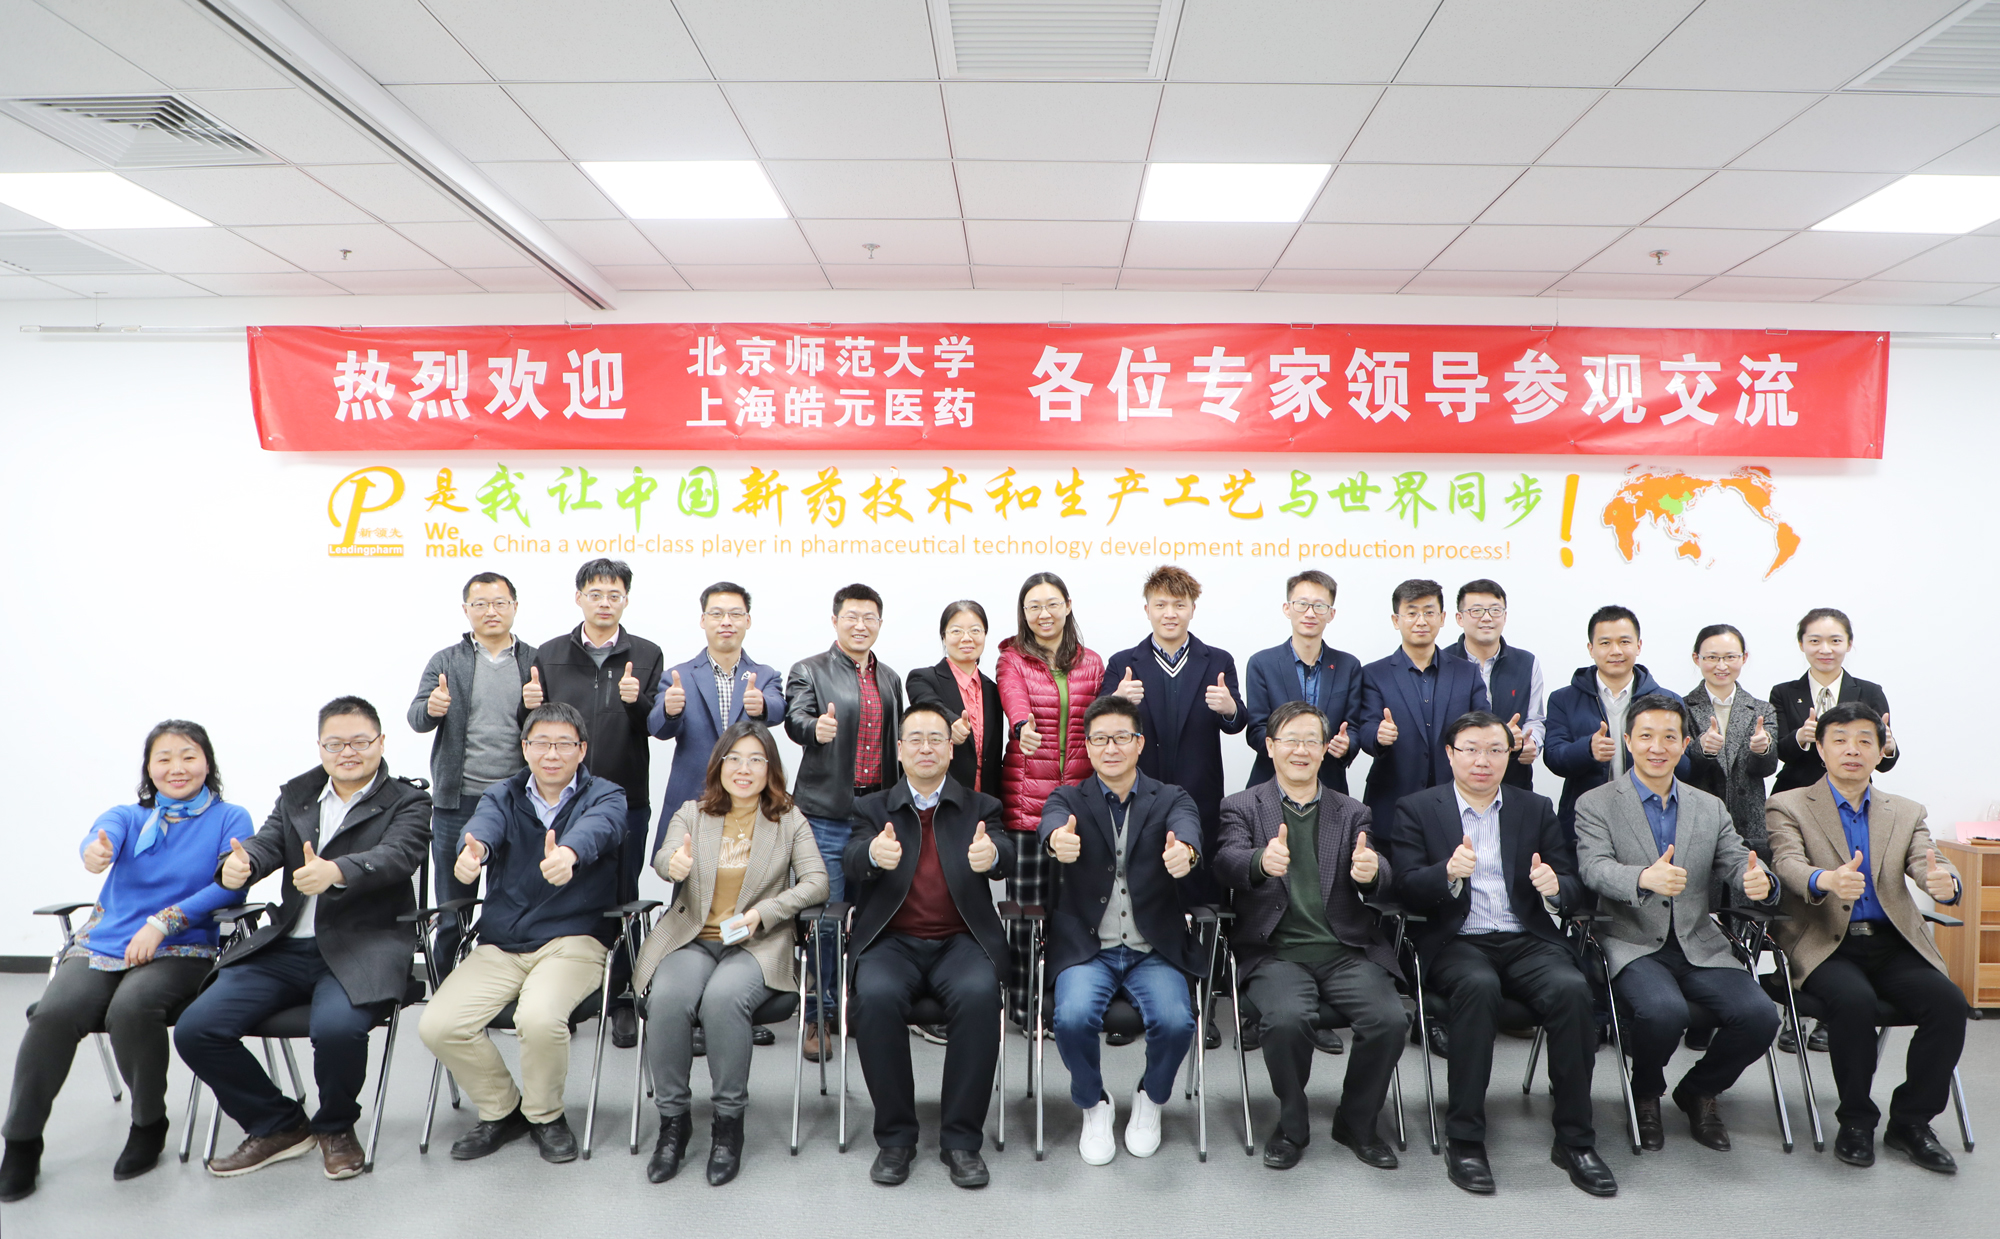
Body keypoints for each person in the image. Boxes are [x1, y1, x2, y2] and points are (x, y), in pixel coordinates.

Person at [173, 697, 430, 1181]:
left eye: (359, 742)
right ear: (320, 747)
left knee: (336, 1030)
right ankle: (278, 1124)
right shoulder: (298, 793)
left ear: (381, 742)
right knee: (195, 1029)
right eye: (335, 744)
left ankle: (336, 1127)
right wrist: (240, 863)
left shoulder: (408, 801)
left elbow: (400, 855)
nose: (347, 752)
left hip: (362, 945)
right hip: (287, 944)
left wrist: (337, 871)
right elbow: (266, 844)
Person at [0, 722, 254, 1200]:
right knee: (54, 1013)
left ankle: (148, 1123)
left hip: (182, 946)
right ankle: (21, 1140)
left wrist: (163, 922)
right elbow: (100, 839)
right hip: (104, 944)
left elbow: (228, 885)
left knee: (133, 1008)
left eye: (188, 756)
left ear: (207, 762)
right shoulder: (128, 816)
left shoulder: (230, 818)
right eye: (164, 758)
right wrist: (96, 852)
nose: (177, 767)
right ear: (149, 768)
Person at [1389, 710, 1610, 1197]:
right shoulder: (1418, 808)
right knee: (1478, 986)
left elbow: (1572, 884)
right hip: (1457, 940)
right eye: (1470, 750)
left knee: (1572, 989)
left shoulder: (1534, 807)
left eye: (1494, 750)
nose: (1482, 761)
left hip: (1525, 938)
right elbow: (1403, 886)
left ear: (1510, 755)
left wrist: (1556, 888)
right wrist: (1447, 873)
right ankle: (1466, 1139)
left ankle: (1575, 1140)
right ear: (1450, 755)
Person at [418, 702, 627, 1166]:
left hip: (573, 940)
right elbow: (483, 828)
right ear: (525, 748)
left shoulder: (606, 794)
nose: (552, 754)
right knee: (438, 1025)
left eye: (564, 744)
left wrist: (569, 854)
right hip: (503, 942)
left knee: (538, 1018)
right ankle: (503, 1110)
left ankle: (546, 1116)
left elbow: (601, 829)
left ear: (582, 750)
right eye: (541, 743)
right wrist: (474, 852)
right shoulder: (502, 794)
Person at [1573, 693, 1780, 1153]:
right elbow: (1593, 867)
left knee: (1760, 1016)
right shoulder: (1596, 803)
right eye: (1646, 736)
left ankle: (1699, 1091)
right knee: (1663, 1012)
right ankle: (1646, 1091)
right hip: (1630, 940)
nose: (1657, 747)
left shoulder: (1708, 806)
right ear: (1628, 740)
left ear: (1685, 744)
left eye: (1669, 737)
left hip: (1697, 941)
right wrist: (1642, 878)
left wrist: (1759, 879)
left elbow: (1735, 860)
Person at [1766, 701, 1966, 1174]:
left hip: (1891, 943)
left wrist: (1945, 882)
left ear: (1880, 751)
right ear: (1820, 749)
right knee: (1853, 1002)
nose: (1852, 750)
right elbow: (1786, 863)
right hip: (1825, 943)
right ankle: (1856, 1120)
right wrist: (1825, 880)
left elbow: (1927, 860)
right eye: (1839, 740)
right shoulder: (1788, 804)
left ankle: (1911, 1122)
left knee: (1949, 1004)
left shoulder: (1906, 811)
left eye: (1864, 741)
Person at [1214, 701, 1409, 1172]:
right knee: (1285, 1020)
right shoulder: (1241, 805)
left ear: (1325, 750)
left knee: (1389, 1020)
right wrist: (1260, 862)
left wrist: (1371, 873)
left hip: (1344, 949)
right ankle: (1291, 1124)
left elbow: (1376, 865)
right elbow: (1226, 861)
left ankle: (1356, 1122)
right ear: (1270, 746)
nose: (1300, 750)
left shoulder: (1352, 810)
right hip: (1274, 951)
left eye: (1310, 741)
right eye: (1290, 740)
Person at [634, 720, 828, 1186]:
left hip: (756, 943)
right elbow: (663, 857)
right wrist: (672, 863)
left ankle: (728, 1126)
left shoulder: (788, 819)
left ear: (770, 768)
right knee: (667, 999)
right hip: (693, 938)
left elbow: (817, 881)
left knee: (723, 1000)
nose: (744, 769)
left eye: (756, 760)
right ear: (719, 765)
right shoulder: (693, 813)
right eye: (734, 759)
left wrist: (766, 912)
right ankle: (673, 1123)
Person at [843, 704, 1011, 1189]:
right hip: (891, 942)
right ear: (899, 750)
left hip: (961, 940)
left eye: (936, 738)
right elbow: (851, 859)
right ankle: (896, 1138)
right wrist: (871, 854)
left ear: (950, 749)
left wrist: (992, 855)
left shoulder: (981, 807)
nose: (925, 748)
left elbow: (1005, 853)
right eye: (914, 738)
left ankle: (961, 1140)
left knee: (980, 995)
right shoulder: (872, 808)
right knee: (874, 997)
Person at [1038, 696, 1204, 1165]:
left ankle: (1151, 1096)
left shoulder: (1171, 797)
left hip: (1153, 948)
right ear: (1088, 746)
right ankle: (1094, 1103)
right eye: (1100, 739)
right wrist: (1057, 841)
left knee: (1177, 1022)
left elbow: (1188, 828)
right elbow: (1051, 826)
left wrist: (1186, 852)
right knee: (1071, 1019)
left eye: (1121, 738)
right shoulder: (1067, 798)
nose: (1111, 748)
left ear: (1139, 743)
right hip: (1089, 949)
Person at [522, 558, 663, 1047]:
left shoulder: (646, 653)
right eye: (596, 594)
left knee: (623, 897)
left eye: (614, 595)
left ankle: (622, 998)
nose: (605, 603)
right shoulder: (549, 653)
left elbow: (655, 725)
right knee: (563, 894)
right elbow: (534, 727)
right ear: (579, 597)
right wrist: (526, 704)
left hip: (626, 796)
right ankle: (561, 998)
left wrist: (636, 700)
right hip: (563, 798)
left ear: (626, 600)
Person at [785, 583, 904, 1060]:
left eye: (869, 617)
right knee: (826, 919)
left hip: (876, 817)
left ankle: (859, 1006)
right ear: (835, 621)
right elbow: (795, 719)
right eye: (852, 616)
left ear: (880, 623)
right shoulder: (809, 670)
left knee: (872, 916)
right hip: (826, 815)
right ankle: (819, 1015)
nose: (860, 625)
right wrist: (815, 728)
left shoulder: (890, 678)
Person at [408, 572, 537, 977]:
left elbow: (555, 726)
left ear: (515, 607)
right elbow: (416, 718)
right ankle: (445, 987)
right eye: (480, 604)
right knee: (452, 909)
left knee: (513, 904)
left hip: (517, 801)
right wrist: (432, 708)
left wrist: (540, 704)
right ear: (466, 610)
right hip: (457, 801)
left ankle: (500, 986)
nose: (490, 611)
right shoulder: (446, 661)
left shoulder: (535, 661)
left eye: (499, 603)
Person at [997, 571, 1104, 1024]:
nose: (1044, 614)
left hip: (1077, 810)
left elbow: (1103, 720)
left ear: (1068, 605)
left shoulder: (1092, 663)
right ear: (1023, 613)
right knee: (1026, 914)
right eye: (1034, 607)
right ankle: (1023, 1003)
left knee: (1071, 915)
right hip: (1027, 807)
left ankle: (1065, 1002)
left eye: (1051, 604)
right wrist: (1022, 727)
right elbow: (1013, 699)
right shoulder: (1012, 659)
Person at [1101, 564, 1244, 902]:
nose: (1170, 613)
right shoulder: (1123, 663)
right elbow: (1099, 727)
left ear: (1193, 609)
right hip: (1137, 794)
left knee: (1198, 889)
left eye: (1179, 605)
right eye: (1161, 605)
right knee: (1141, 890)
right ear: (1147, 609)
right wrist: (1116, 702)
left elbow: (1237, 722)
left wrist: (1230, 709)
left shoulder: (1217, 661)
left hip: (1199, 794)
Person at [649, 580, 786, 859]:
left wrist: (761, 706)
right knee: (685, 873)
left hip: (750, 800)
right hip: (693, 797)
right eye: (717, 614)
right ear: (703, 620)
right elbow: (657, 728)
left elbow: (779, 708)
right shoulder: (679, 675)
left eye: (735, 614)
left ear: (748, 621)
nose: (726, 621)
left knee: (747, 876)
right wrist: (670, 711)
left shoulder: (764, 674)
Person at [1543, 604, 1685, 840]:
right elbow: (1553, 758)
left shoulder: (1667, 700)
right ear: (1591, 649)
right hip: (1587, 819)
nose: (1616, 650)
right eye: (1605, 643)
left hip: (1653, 818)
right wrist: (1587, 749)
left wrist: (1671, 751)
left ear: (1638, 646)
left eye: (1624, 642)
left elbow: (1686, 768)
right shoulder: (1563, 699)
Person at [1357, 579, 1489, 828]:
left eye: (1429, 612)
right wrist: (1378, 735)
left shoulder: (1467, 672)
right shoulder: (1375, 674)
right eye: (1412, 613)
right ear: (1396, 620)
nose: (1421, 621)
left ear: (1442, 618)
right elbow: (1364, 728)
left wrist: (1503, 735)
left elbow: (1484, 724)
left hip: (1456, 801)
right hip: (1392, 802)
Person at [1243, 569, 1366, 795]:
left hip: (1329, 786)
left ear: (1331, 614)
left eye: (1319, 606)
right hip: (1270, 786)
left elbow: (1354, 728)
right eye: (1302, 604)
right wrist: (1291, 748)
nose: (1310, 613)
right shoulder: (1262, 663)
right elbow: (1256, 730)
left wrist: (1347, 745)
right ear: (1287, 608)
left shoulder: (1348, 666)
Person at [1770, 607, 1900, 795]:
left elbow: (1885, 765)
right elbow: (1780, 753)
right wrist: (1800, 737)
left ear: (1849, 644)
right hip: (1795, 793)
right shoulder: (1783, 692)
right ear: (1801, 644)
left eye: (1835, 641)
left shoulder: (1870, 692)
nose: (1825, 649)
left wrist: (1887, 746)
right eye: (1815, 641)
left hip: (1853, 794)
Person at [1682, 624, 1779, 861]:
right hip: (1697, 816)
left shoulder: (1762, 709)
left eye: (1730, 657)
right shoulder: (1681, 708)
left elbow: (1767, 769)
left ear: (1744, 658)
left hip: (1748, 820)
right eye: (1712, 657)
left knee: (1749, 880)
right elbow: (1681, 769)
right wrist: (1701, 749)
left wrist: (1762, 750)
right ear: (1696, 658)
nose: (1721, 666)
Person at [1440, 579, 1544, 792]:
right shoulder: (1442, 663)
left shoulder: (1527, 663)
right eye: (1476, 611)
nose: (1486, 618)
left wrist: (1530, 741)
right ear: (1459, 618)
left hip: (1512, 781)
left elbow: (1535, 719)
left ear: (1504, 617)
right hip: (1452, 784)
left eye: (1495, 610)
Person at [905, 599, 1004, 798]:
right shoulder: (923, 678)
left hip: (985, 802)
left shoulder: (993, 690)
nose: (966, 638)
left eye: (975, 630)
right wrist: (950, 722)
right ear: (944, 636)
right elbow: (929, 703)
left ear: (985, 635)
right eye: (956, 631)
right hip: (937, 799)